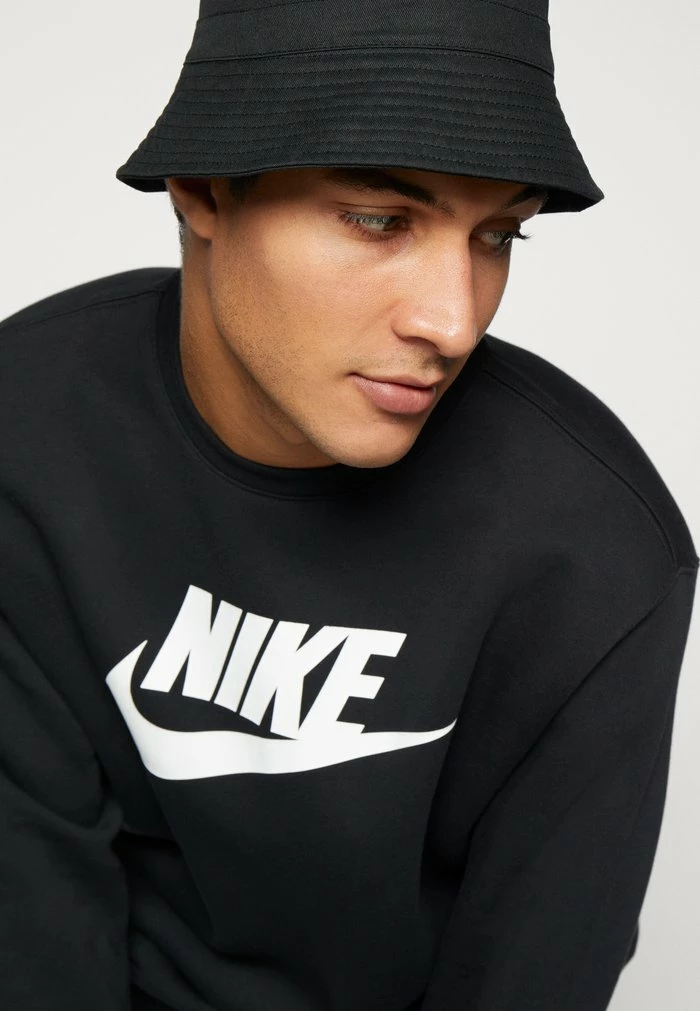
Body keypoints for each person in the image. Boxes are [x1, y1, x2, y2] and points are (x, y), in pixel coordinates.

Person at [0, 1, 697, 1009]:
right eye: (381, 220)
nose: (452, 320)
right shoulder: (28, 435)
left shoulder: (594, 551)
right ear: (202, 187)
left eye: (497, 234)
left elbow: (533, 972)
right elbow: (31, 935)